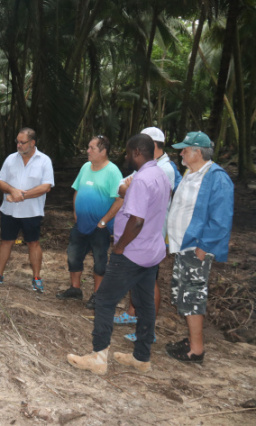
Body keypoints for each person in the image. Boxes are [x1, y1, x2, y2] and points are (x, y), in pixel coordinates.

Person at [67, 134, 171, 375]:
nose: (125, 157)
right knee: (145, 304)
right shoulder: (160, 175)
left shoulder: (143, 179)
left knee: (104, 300)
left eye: (127, 153)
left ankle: (98, 356)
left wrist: (120, 247)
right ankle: (141, 357)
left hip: (133, 252)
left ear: (136, 152)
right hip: (152, 251)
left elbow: (136, 221)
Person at [166, 131, 233, 363]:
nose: (181, 152)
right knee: (184, 294)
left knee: (193, 295)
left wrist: (204, 247)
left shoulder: (217, 177)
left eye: (185, 149)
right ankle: (192, 342)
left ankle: (196, 350)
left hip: (196, 248)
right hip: (184, 246)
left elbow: (221, 219)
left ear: (197, 152)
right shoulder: (190, 172)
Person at [115, 127, 175, 341]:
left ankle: (146, 331)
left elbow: (137, 204)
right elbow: (122, 186)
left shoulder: (163, 170)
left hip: (148, 236)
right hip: (140, 238)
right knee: (141, 282)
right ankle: (134, 316)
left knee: (149, 284)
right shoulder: (149, 168)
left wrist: (120, 245)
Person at [56, 135, 123, 309]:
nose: (88, 151)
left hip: (100, 227)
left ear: (103, 151)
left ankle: (98, 295)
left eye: (92, 148)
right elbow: (77, 190)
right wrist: (75, 212)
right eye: (89, 147)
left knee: (100, 261)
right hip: (81, 224)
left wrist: (104, 221)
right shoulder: (86, 167)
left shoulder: (113, 171)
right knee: (73, 255)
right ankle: (75, 289)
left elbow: (120, 200)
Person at [0, 128, 54, 292]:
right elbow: (0, 182)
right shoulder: (10, 159)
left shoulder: (44, 161)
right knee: (6, 241)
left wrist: (21, 195)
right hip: (9, 210)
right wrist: (12, 190)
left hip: (32, 211)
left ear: (32, 143)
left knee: (33, 243)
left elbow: (46, 186)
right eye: (17, 142)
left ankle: (37, 278)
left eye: (22, 142)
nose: (19, 145)